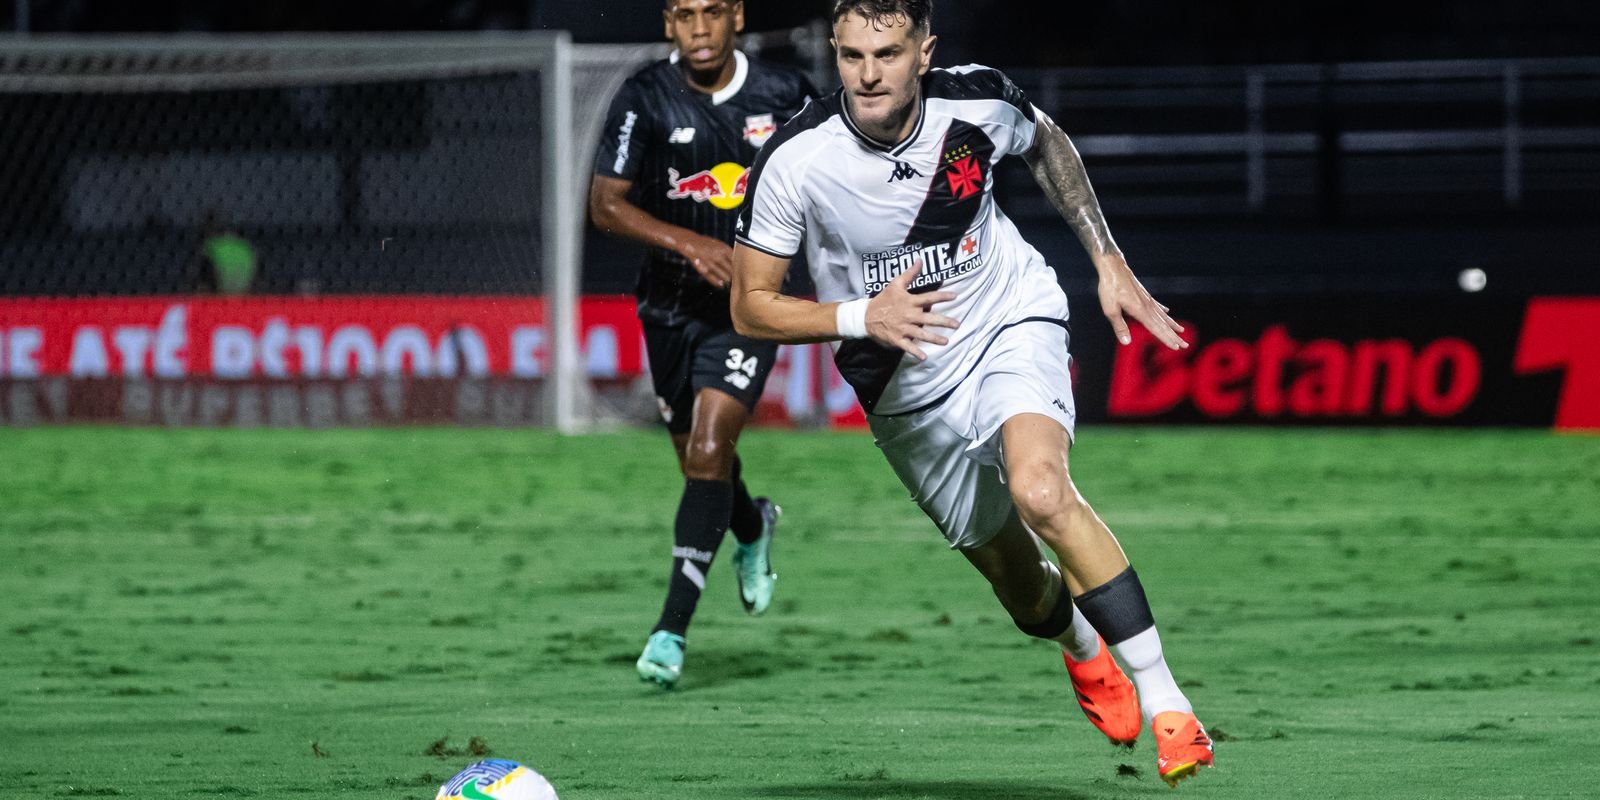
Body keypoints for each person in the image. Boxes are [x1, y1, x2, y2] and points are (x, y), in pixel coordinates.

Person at [729, 0, 1215, 787]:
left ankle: (1169, 704)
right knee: (1021, 589)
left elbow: (1047, 142)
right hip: (901, 387)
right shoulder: (796, 158)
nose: (868, 75)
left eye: (888, 54)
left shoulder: (977, 100)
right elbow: (751, 305)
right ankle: (1082, 646)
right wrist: (860, 316)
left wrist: (1107, 258)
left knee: (1041, 491)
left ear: (924, 52)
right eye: (852, 56)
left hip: (1004, 318)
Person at [589, 0, 817, 689]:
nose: (699, 28)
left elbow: (834, 174)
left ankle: (670, 632)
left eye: (712, 12)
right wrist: (689, 244)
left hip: (749, 307)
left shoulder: (785, 93)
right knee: (700, 464)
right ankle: (752, 525)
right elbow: (605, 204)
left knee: (712, 450)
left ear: (736, 16)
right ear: (668, 22)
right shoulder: (645, 95)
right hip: (667, 306)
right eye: (684, 14)